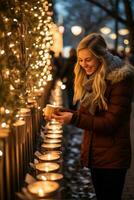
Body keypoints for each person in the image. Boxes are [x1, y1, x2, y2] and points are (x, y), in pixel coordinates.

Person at [45, 33, 134, 200]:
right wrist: (65, 112)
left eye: (88, 59)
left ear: (101, 57)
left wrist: (74, 119)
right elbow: (88, 116)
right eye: (80, 59)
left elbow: (110, 123)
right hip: (97, 156)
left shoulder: (120, 80)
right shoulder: (90, 79)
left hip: (113, 157)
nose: (83, 64)